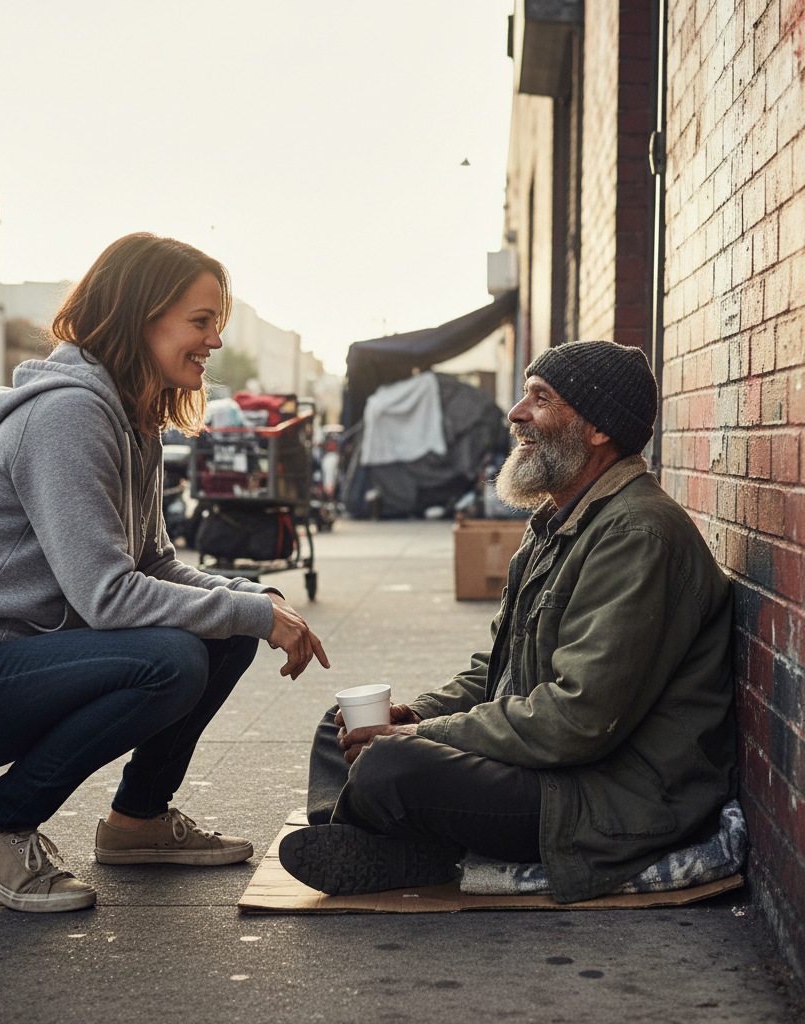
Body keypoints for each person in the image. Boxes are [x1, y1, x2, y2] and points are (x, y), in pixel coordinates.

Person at [0, 233, 328, 913]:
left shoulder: (131, 416)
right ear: (140, 314)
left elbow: (153, 562)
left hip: (12, 662)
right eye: (201, 321)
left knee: (225, 628)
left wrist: (252, 601)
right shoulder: (68, 413)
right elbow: (107, 594)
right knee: (172, 658)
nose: (212, 340)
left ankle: (138, 821)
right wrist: (255, 612)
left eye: (218, 324)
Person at [281, 340, 735, 904]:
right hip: (548, 762)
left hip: (608, 797)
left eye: (540, 398)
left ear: (597, 429)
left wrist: (419, 735)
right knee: (342, 728)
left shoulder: (636, 535)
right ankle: (359, 842)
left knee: (390, 765)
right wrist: (416, 711)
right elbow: (494, 672)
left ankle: (384, 842)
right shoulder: (559, 522)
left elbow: (577, 719)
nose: (516, 413)